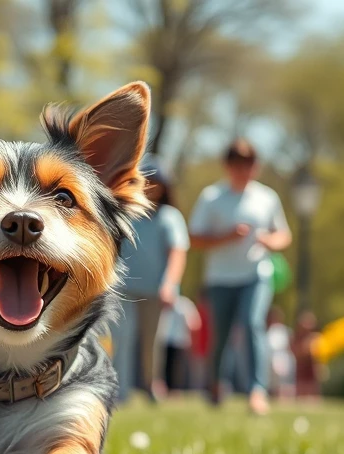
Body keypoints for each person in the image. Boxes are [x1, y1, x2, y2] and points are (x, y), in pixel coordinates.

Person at [189, 139, 291, 415]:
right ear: (228, 166)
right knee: (220, 336)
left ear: (255, 166)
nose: (243, 170)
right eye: (237, 164)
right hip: (221, 278)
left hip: (256, 274)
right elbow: (194, 238)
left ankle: (256, 391)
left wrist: (271, 240)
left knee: (251, 323)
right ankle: (216, 385)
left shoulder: (267, 198)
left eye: (248, 164)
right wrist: (227, 237)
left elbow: (284, 235)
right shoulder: (212, 197)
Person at [113, 161, 189, 401]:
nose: (151, 188)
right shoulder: (125, 211)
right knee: (122, 338)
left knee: (151, 343)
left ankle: (151, 385)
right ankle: (120, 391)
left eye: (157, 184)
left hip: (155, 291)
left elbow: (177, 252)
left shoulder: (170, 217)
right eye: (147, 183)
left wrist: (170, 284)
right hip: (123, 288)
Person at [158, 295, 201, 393]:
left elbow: (195, 322)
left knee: (178, 369)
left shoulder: (185, 304)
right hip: (166, 340)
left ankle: (176, 389)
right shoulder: (165, 304)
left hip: (181, 341)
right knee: (166, 367)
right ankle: (167, 389)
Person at [266, 306, 296, 399]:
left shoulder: (284, 330)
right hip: (272, 358)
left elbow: (289, 346)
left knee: (285, 382)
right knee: (274, 382)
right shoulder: (269, 330)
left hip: (284, 358)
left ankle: (286, 398)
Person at [292, 311, 323, 399]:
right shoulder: (296, 338)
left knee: (312, 392)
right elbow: (297, 352)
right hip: (300, 369)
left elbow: (317, 354)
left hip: (311, 369)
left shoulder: (315, 337)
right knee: (300, 392)